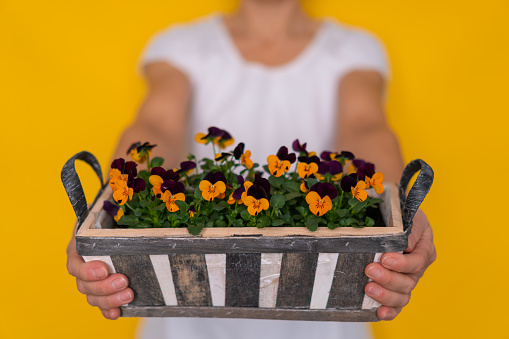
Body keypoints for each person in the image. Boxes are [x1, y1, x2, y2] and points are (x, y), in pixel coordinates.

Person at [66, 0, 437, 338]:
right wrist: (110, 206)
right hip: (188, 313)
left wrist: (398, 210)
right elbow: (157, 125)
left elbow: (365, 126)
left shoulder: (352, 48)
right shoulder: (183, 44)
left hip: (323, 318)